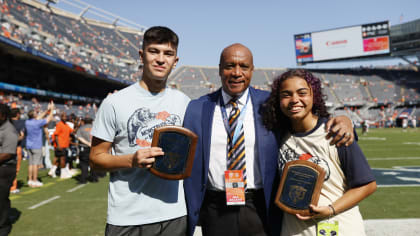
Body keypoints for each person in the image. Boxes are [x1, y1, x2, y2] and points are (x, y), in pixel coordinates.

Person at [183, 43, 355, 236]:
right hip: (216, 208)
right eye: (230, 66)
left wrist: (344, 121)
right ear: (220, 69)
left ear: (252, 70)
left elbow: (307, 120)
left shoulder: (270, 104)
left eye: (244, 67)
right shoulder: (198, 108)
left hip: (260, 206)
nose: (237, 72)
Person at [90, 26, 190, 236]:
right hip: (127, 217)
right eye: (154, 51)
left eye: (168, 54)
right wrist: (131, 160)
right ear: (142, 55)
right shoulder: (114, 103)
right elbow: (95, 159)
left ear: (175, 61)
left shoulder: (184, 103)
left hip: (174, 214)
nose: (161, 59)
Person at [262, 69, 376, 236]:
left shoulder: (336, 133)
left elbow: (367, 185)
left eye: (302, 93)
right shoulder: (277, 137)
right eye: (286, 95)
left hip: (339, 228)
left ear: (314, 96)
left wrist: (330, 209)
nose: (295, 100)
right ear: (278, 101)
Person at [25, 102, 54, 187]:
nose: (37, 114)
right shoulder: (37, 122)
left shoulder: (27, 122)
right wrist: (52, 110)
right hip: (36, 146)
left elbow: (39, 117)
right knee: (35, 164)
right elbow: (49, 118)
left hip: (29, 145)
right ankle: (35, 180)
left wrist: (47, 110)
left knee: (30, 164)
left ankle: (30, 180)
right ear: (33, 115)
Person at [0, 103, 18, 236]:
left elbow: (8, 153)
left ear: (3, 115)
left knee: (1, 198)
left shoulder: (9, 130)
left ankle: (3, 227)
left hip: (5, 168)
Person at [50, 112, 73, 179]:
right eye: (64, 116)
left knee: (57, 158)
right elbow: (56, 135)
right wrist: (58, 145)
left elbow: (72, 131)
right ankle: (63, 174)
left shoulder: (66, 125)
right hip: (61, 144)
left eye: (66, 117)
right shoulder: (59, 124)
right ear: (61, 117)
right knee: (62, 159)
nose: (65, 118)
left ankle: (52, 171)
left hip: (64, 144)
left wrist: (77, 125)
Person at [75, 117, 97, 184]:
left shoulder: (81, 128)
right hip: (94, 147)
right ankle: (94, 178)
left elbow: (78, 137)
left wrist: (87, 143)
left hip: (85, 147)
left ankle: (83, 179)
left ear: (84, 121)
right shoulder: (96, 127)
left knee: (84, 164)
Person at [10, 108, 25, 194]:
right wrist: (21, 137)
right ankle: (12, 187)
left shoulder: (6, 123)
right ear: (17, 114)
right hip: (15, 148)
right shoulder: (19, 123)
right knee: (15, 168)